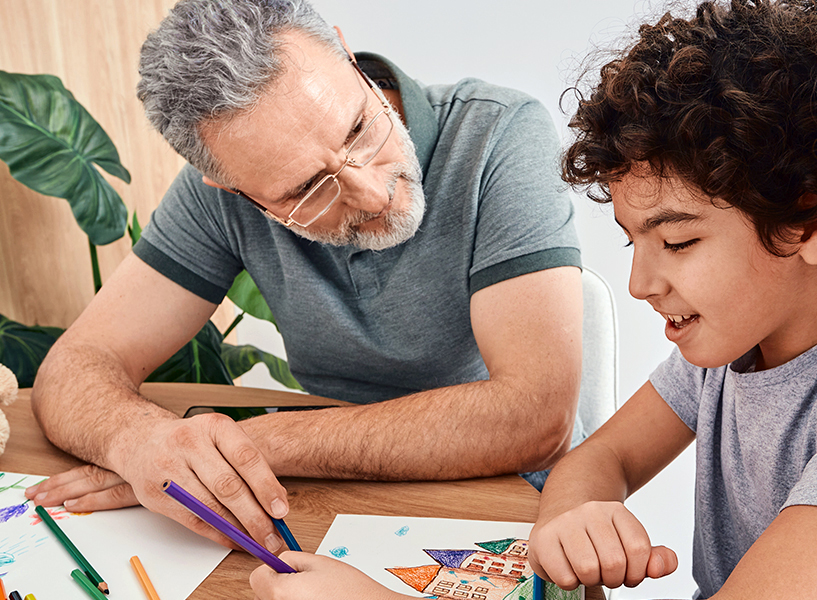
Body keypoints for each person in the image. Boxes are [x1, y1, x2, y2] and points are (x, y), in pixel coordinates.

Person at [249, 1, 817, 597]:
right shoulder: (737, 348)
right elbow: (598, 457)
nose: (640, 284)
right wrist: (578, 517)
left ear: (811, 217)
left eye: (678, 242)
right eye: (634, 241)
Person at [26, 0, 583, 555]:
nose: (373, 194)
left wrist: (239, 448)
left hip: (518, 504)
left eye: (359, 129)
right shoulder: (218, 196)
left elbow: (535, 416)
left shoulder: (499, 132)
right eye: (306, 189)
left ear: (347, 55)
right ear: (231, 187)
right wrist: (143, 443)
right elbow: (76, 366)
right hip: (332, 503)